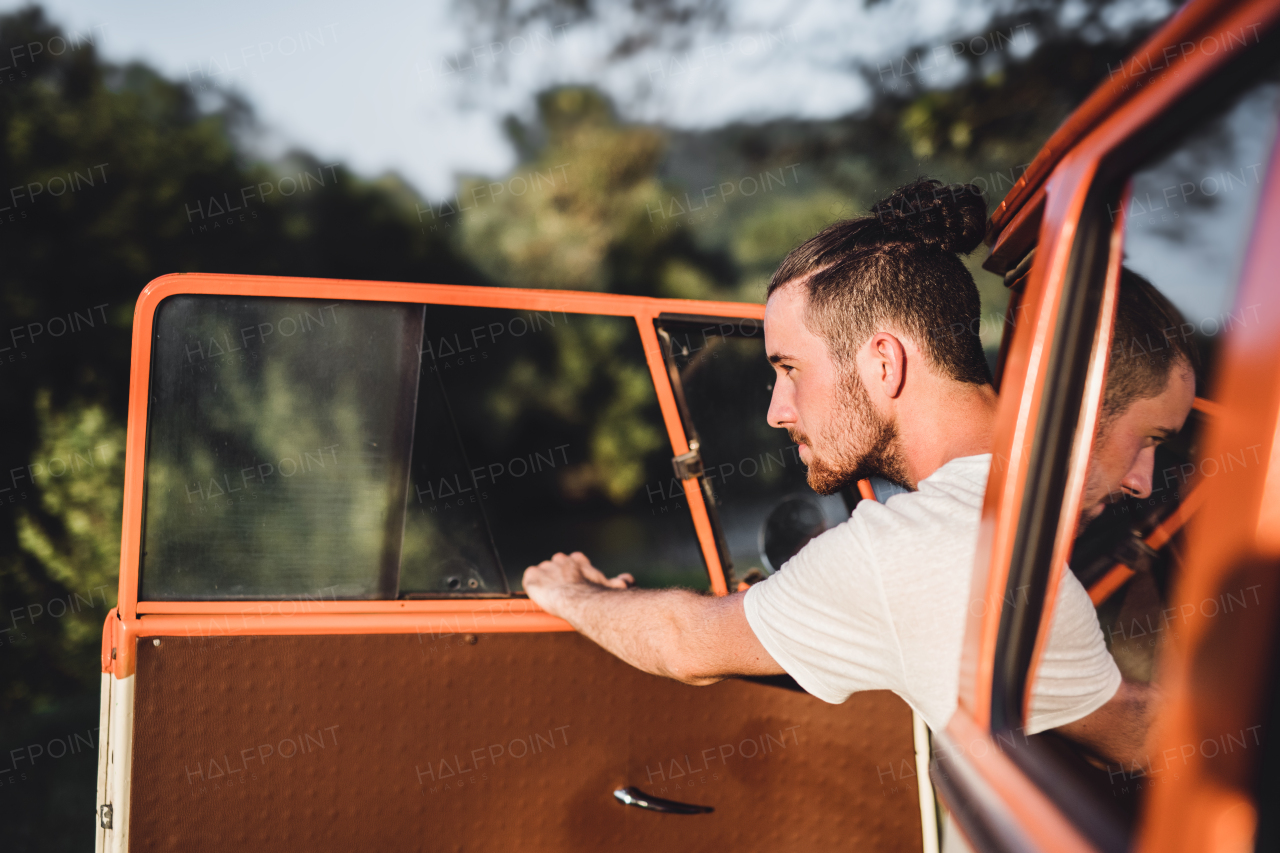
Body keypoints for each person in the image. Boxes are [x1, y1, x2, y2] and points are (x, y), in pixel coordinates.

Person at [523, 179, 1194, 765]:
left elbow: (683, 642)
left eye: (789, 369)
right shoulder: (1023, 499)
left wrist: (569, 591)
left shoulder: (910, 546)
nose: (777, 411)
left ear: (883, 362)